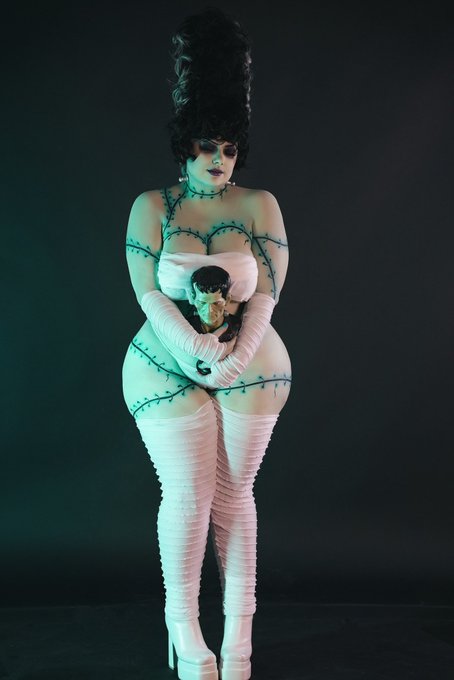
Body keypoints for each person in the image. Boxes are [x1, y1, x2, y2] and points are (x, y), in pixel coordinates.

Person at [122, 8, 292, 680]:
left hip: (249, 361)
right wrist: (199, 354)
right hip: (162, 364)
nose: (217, 160)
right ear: (182, 145)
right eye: (204, 146)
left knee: (234, 494)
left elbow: (269, 293)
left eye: (227, 147)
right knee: (189, 494)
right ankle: (184, 628)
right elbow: (149, 295)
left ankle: (238, 633)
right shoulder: (152, 208)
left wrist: (236, 356)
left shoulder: (259, 206)